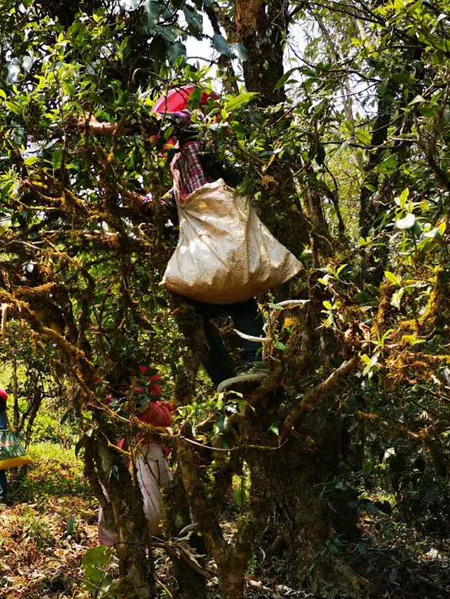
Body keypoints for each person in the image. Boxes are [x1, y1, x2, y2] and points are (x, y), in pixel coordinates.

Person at [79, 88, 299, 392]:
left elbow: (158, 125)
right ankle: (229, 378)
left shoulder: (198, 138)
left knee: (238, 296)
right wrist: (125, 195)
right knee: (206, 310)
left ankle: (255, 363)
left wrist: (100, 127)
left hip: (223, 233)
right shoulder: (178, 162)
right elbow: (167, 205)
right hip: (211, 245)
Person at [98, 365, 175, 546]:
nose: (125, 389)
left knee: (154, 513)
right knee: (113, 500)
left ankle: (145, 538)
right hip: (119, 455)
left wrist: (142, 405)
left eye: (129, 385)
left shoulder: (157, 407)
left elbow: (165, 422)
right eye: (121, 386)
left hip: (147, 454)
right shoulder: (109, 406)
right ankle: (114, 546)